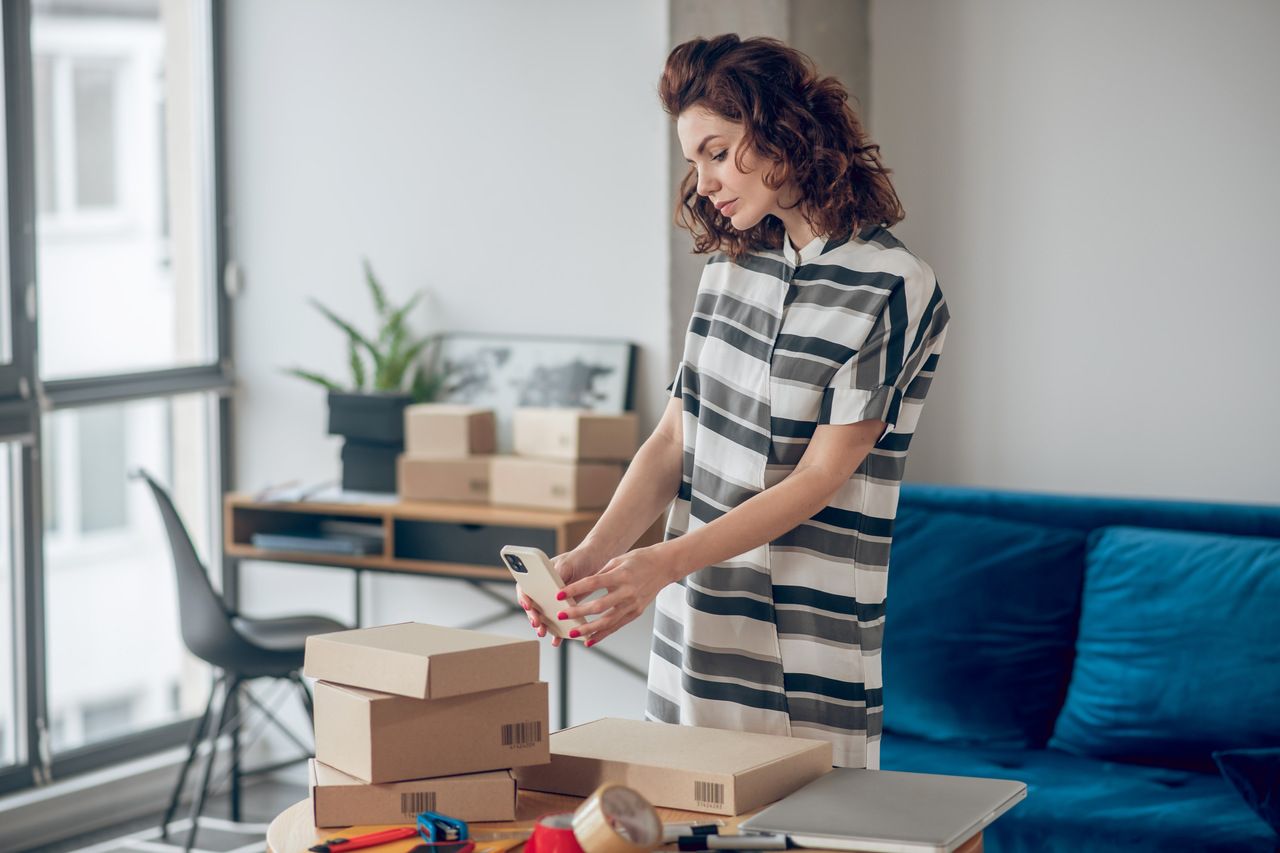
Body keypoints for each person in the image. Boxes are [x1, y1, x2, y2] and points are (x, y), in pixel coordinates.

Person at [520, 33, 950, 770]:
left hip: (808, 636)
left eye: (717, 152)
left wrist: (660, 561)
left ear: (783, 130)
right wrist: (595, 556)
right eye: (694, 161)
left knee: (807, 829)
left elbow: (820, 478)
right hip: (696, 618)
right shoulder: (730, 267)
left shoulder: (894, 285)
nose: (704, 180)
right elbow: (673, 441)